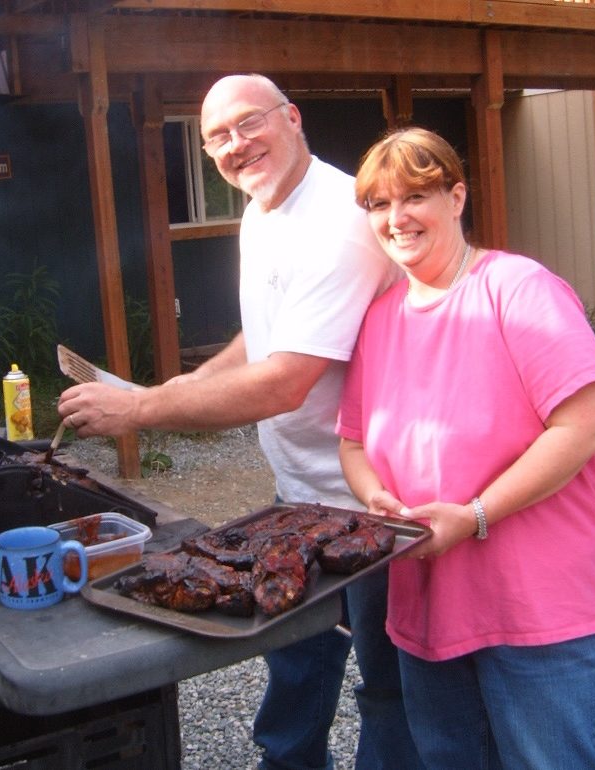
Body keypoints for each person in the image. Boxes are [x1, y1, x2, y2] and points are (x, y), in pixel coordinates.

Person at [58, 74, 422, 770]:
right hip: (300, 492)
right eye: (216, 138)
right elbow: (265, 339)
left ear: (292, 116)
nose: (235, 146)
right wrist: (186, 385)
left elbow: (284, 382)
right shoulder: (263, 209)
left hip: (374, 499)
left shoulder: (338, 219)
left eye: (248, 124)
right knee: (297, 659)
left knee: (389, 687)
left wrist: (140, 409)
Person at [337, 125, 595, 769]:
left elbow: (589, 422)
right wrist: (375, 497)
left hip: (538, 608)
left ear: (457, 197)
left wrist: (475, 517)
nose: (396, 217)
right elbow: (353, 443)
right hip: (430, 605)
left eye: (413, 196)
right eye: (378, 204)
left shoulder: (519, 289)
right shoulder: (380, 320)